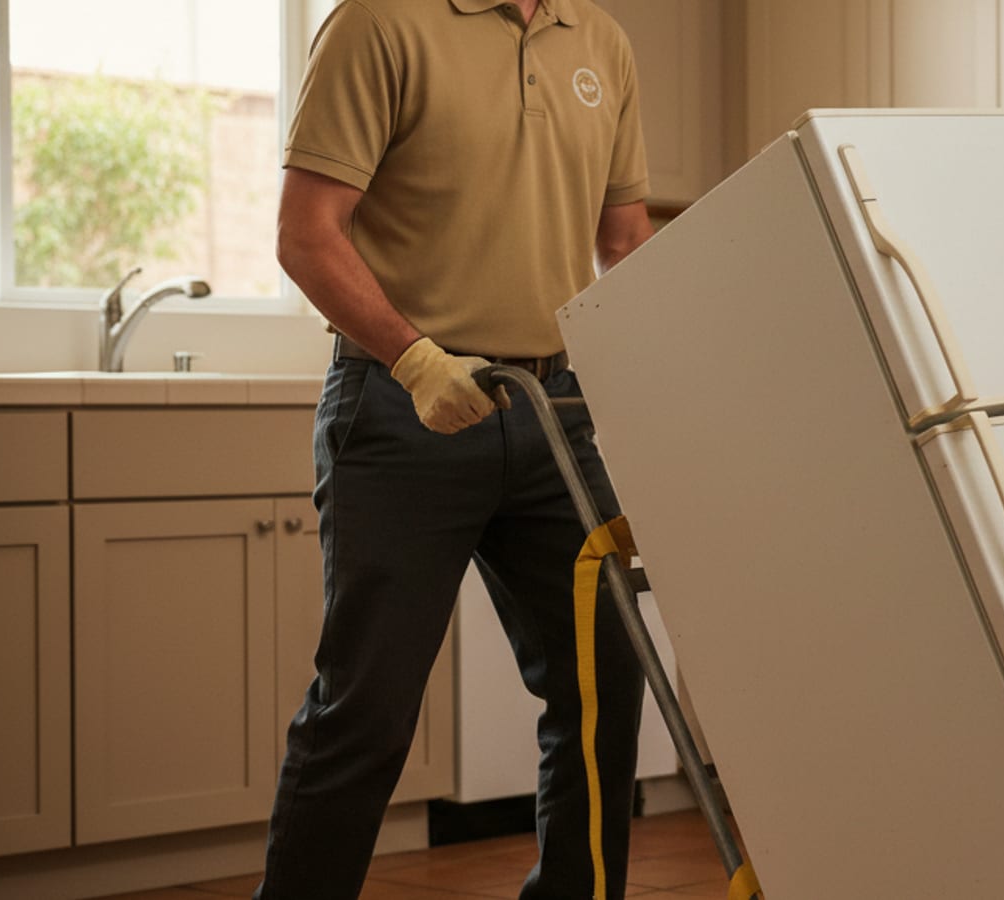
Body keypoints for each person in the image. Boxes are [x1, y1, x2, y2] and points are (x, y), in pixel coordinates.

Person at [255, 0, 657, 897]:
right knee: (368, 709)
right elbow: (305, 233)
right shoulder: (379, 23)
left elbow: (624, 239)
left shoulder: (598, 40)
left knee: (605, 686)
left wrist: (664, 377)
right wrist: (416, 360)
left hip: (557, 409)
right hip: (404, 406)